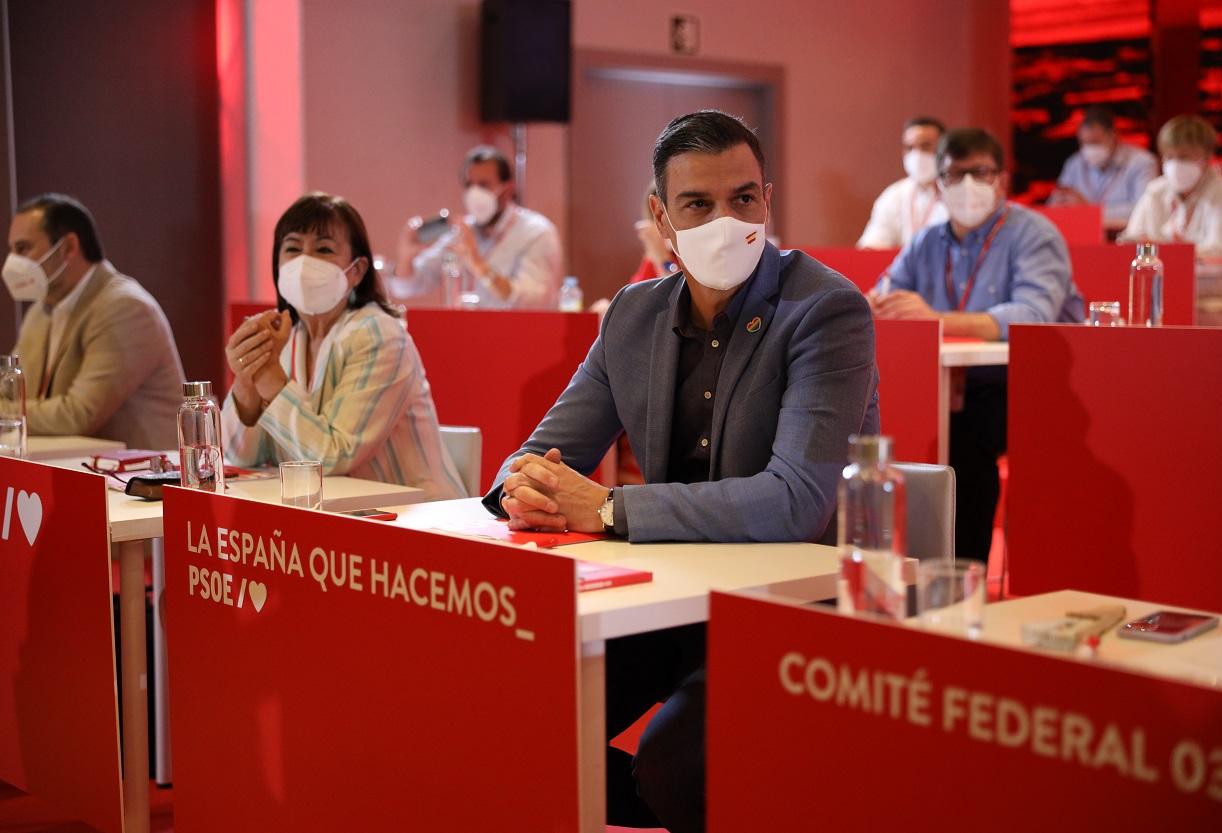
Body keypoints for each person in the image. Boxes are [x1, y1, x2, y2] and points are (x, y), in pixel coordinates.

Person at [484, 110, 879, 833]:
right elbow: (544, 450)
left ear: (768, 200)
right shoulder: (632, 313)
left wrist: (605, 509)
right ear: (661, 218)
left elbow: (797, 502)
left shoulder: (827, 310)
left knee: (673, 762)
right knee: (509, 713)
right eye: (699, 204)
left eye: (744, 198)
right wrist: (525, 483)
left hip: (793, 610)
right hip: (671, 598)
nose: (726, 220)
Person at [869, 127, 1084, 563]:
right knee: (881, 417)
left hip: (1031, 386)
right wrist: (879, 303)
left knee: (965, 443)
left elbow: (1033, 315)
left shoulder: (1033, 234)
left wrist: (934, 319)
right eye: (955, 175)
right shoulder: (927, 241)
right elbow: (886, 291)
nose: (968, 185)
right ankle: (892, 564)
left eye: (980, 173)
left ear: (1001, 180)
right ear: (939, 184)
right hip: (947, 387)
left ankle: (959, 573)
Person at [222, 192, 466, 500]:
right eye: (293, 249)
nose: (304, 262)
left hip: (413, 522)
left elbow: (333, 457)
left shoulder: (378, 334)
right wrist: (248, 377)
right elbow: (239, 457)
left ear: (358, 270)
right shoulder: (285, 338)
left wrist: (269, 377)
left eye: (323, 249)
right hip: (329, 519)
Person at [4, 193, 184, 449]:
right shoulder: (40, 312)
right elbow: (12, 393)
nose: (13, 263)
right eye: (12, 251)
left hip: (141, 480)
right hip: (77, 467)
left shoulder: (124, 307)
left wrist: (5, 412)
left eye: (23, 249)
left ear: (68, 247)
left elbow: (78, 415)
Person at [391, 145, 562, 309]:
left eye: (484, 185)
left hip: (518, 333)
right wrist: (406, 255)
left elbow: (534, 301)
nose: (475, 193)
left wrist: (478, 264)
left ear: (508, 188)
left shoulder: (536, 232)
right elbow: (405, 288)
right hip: (468, 331)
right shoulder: (463, 231)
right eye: (469, 185)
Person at [1121, 114, 1222, 259]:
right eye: (1169, 157)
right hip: (1161, 277)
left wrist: (1160, 250)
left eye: (1184, 157)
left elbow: (1219, 251)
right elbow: (1130, 241)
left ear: (1206, 158)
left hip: (1215, 281)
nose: (1175, 164)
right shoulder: (1155, 191)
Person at [1048, 106, 1158, 233]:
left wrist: (1088, 211)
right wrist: (1057, 205)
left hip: (1122, 238)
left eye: (1095, 142)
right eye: (1084, 143)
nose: (1089, 149)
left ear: (1114, 136)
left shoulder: (1141, 162)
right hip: (1081, 236)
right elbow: (1052, 206)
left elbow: (1143, 211)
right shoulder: (1075, 163)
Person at [856, 116, 949, 249]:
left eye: (925, 146)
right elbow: (873, 246)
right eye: (910, 147)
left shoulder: (957, 194)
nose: (917, 154)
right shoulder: (893, 195)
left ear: (943, 149)